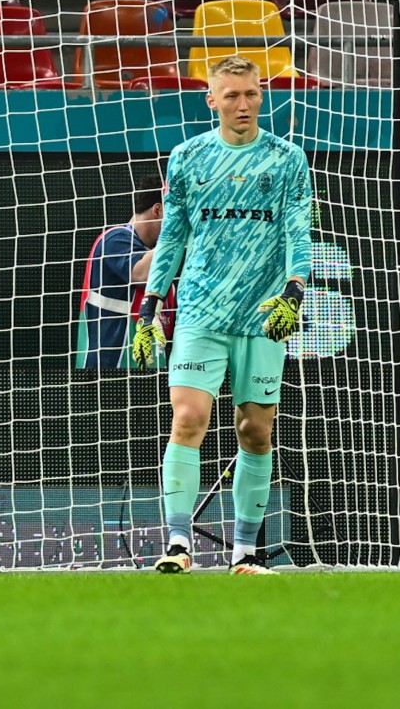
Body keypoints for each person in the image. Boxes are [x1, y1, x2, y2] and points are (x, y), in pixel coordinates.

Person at [131, 54, 313, 575]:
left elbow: (298, 230)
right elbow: (172, 236)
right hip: (201, 312)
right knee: (188, 418)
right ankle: (178, 542)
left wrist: (295, 290)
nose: (243, 104)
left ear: (262, 95)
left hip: (261, 315)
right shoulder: (188, 157)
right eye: (231, 95)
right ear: (212, 100)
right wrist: (150, 306)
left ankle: (245, 551)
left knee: (255, 431)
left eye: (251, 93)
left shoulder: (286, 159)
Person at [75, 175, 176, 369]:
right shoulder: (115, 239)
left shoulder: (166, 270)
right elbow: (142, 273)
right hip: (106, 373)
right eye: (175, 214)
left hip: (152, 375)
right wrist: (176, 234)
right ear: (158, 210)